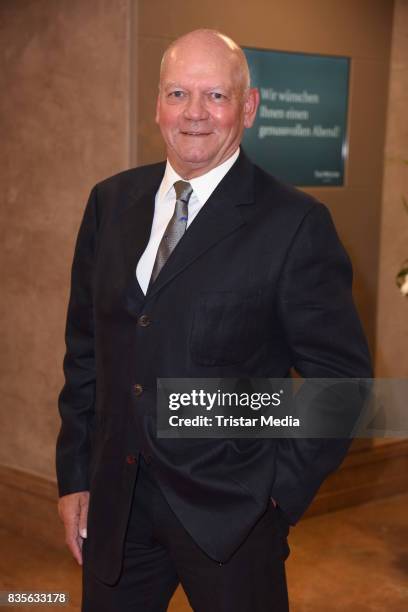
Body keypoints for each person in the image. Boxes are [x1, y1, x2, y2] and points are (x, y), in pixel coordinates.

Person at [56, 29, 372, 612]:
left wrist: (274, 496)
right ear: (157, 105)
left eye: (216, 96)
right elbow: (86, 351)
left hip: (233, 517)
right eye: (178, 94)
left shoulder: (295, 223)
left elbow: (342, 383)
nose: (194, 113)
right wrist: (75, 473)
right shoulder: (109, 203)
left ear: (247, 107)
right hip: (116, 504)